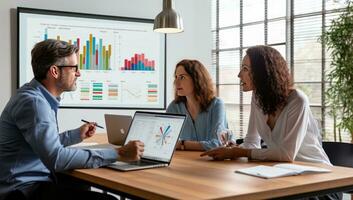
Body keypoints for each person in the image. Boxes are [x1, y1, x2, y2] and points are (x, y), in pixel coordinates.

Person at [0, 39, 144, 200]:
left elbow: (44, 146)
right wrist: (118, 153)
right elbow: (56, 158)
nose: (79, 73)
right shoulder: (34, 103)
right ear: (54, 71)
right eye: (74, 67)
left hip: (33, 181)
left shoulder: (35, 96)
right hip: (22, 191)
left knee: (78, 183)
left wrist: (76, 135)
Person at [201, 45, 341, 199]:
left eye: (245, 69)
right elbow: (252, 143)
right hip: (285, 177)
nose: (239, 75)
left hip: (321, 184)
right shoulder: (257, 98)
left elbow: (286, 154)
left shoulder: (297, 100)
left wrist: (238, 152)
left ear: (264, 72)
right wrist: (234, 149)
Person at [166, 59, 228, 151]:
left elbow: (218, 144)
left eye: (182, 77)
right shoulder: (174, 107)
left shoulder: (216, 105)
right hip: (184, 161)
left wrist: (182, 144)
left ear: (197, 79)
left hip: (211, 163)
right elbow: (166, 142)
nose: (176, 82)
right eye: (176, 77)